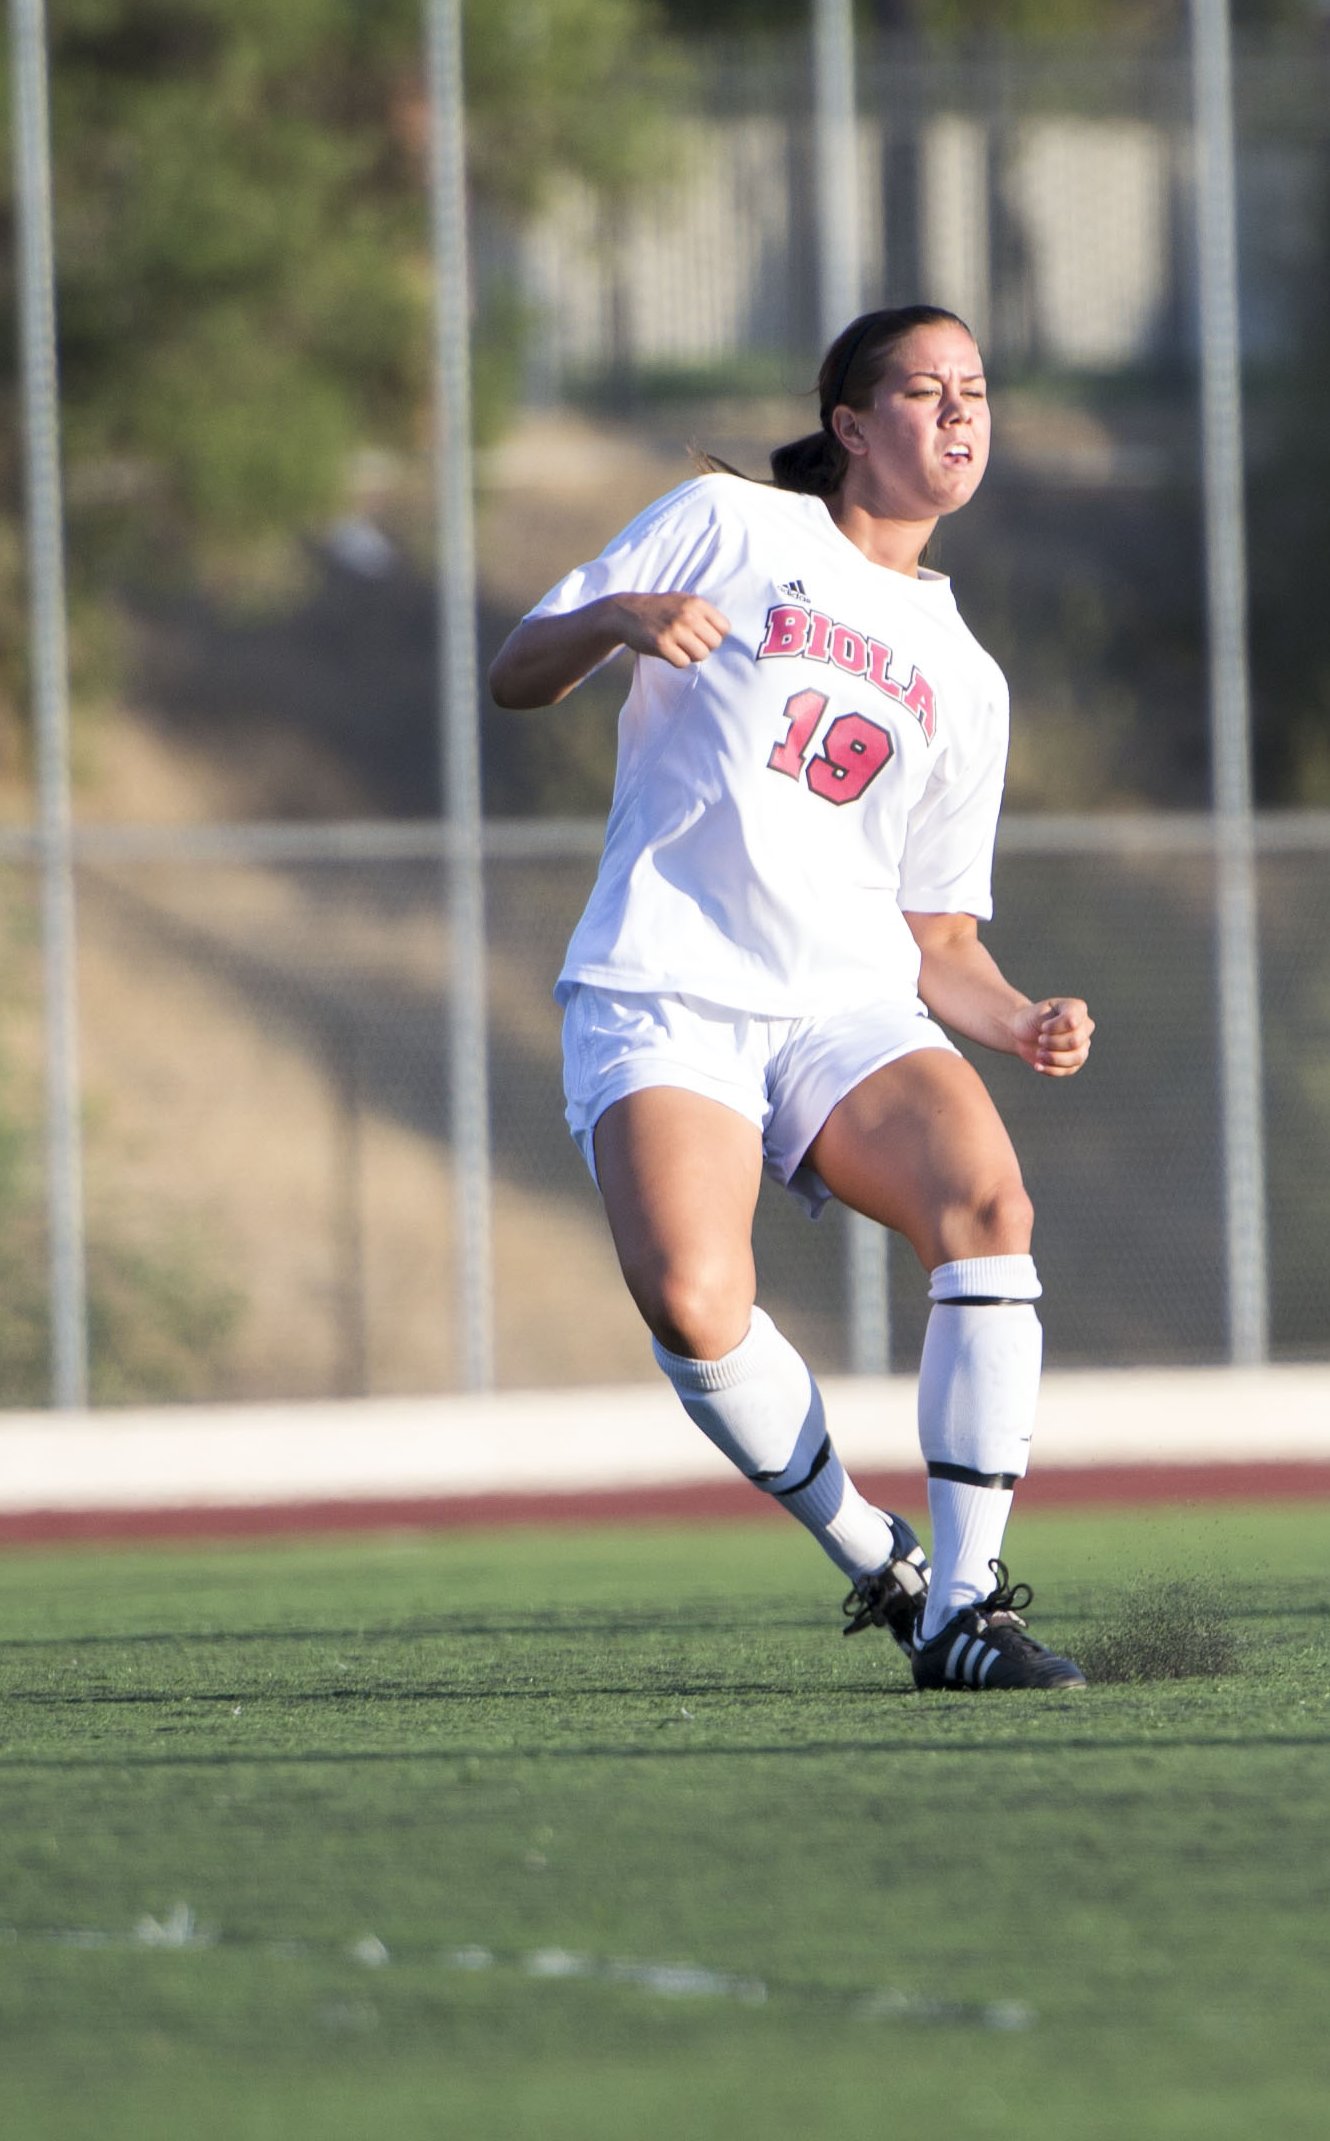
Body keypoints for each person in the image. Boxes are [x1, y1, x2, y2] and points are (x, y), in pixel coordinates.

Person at [488, 306, 1096, 1691]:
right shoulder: (726, 524)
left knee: (989, 1206)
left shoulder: (969, 677)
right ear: (849, 424)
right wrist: (613, 619)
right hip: (669, 981)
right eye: (926, 391)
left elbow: (936, 932)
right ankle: (879, 1560)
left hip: (844, 1005)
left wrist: (1012, 1017)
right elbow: (517, 672)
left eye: (977, 393)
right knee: (696, 1300)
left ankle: (970, 1604)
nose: (959, 415)